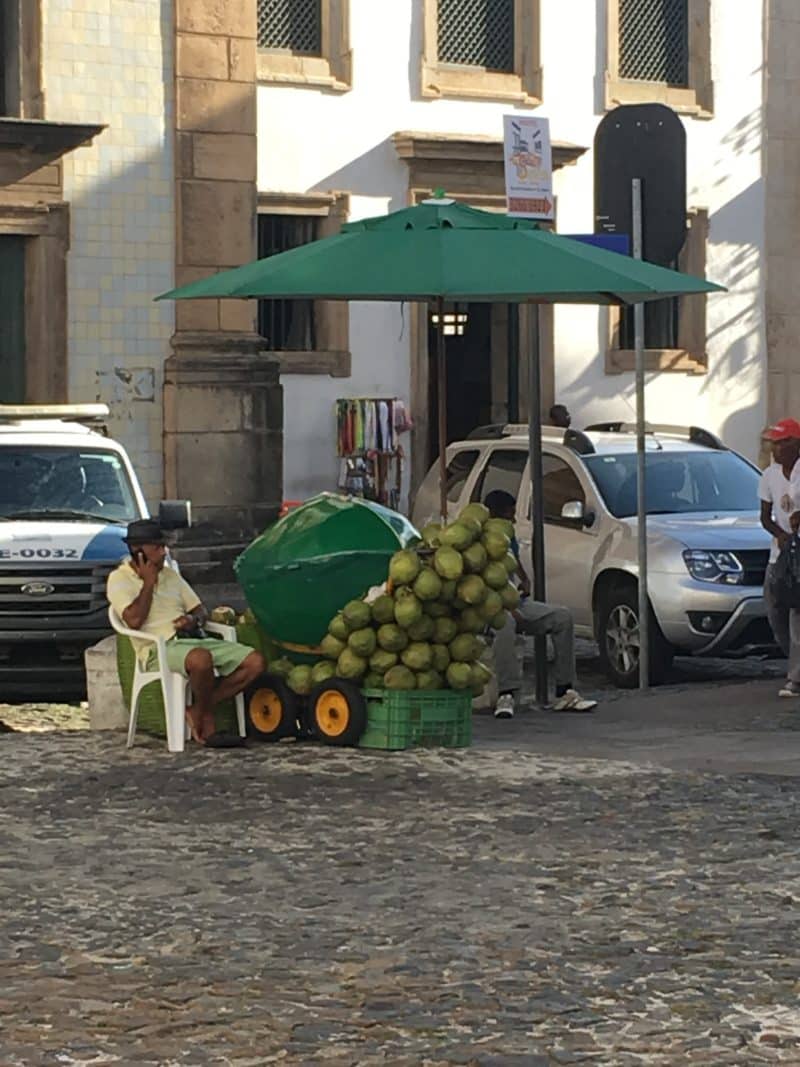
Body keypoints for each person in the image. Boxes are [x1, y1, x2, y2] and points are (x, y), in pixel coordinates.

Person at [107, 519, 265, 746]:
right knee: (201, 659)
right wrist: (148, 583)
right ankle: (207, 717)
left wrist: (192, 620)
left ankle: (199, 709)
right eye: (157, 547)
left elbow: (200, 610)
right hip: (157, 649)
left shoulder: (171, 576)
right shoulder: (119, 579)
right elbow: (133, 621)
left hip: (190, 640)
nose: (164, 552)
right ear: (138, 550)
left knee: (255, 662)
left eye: (164, 546)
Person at [484, 490, 597, 717]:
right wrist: (506, 607)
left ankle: (566, 690)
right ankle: (507, 694)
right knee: (504, 625)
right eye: (510, 514)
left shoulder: (507, 536)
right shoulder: (480, 540)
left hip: (516, 601)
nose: (514, 520)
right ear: (495, 515)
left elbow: (512, 559)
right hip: (489, 608)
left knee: (562, 617)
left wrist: (524, 579)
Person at [760, 419, 800, 697]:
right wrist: (780, 533)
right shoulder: (770, 475)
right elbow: (765, 516)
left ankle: (795, 678)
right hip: (780, 556)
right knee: (776, 612)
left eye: (781, 442)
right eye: (772, 442)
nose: (775, 448)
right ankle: (793, 661)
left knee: (797, 614)